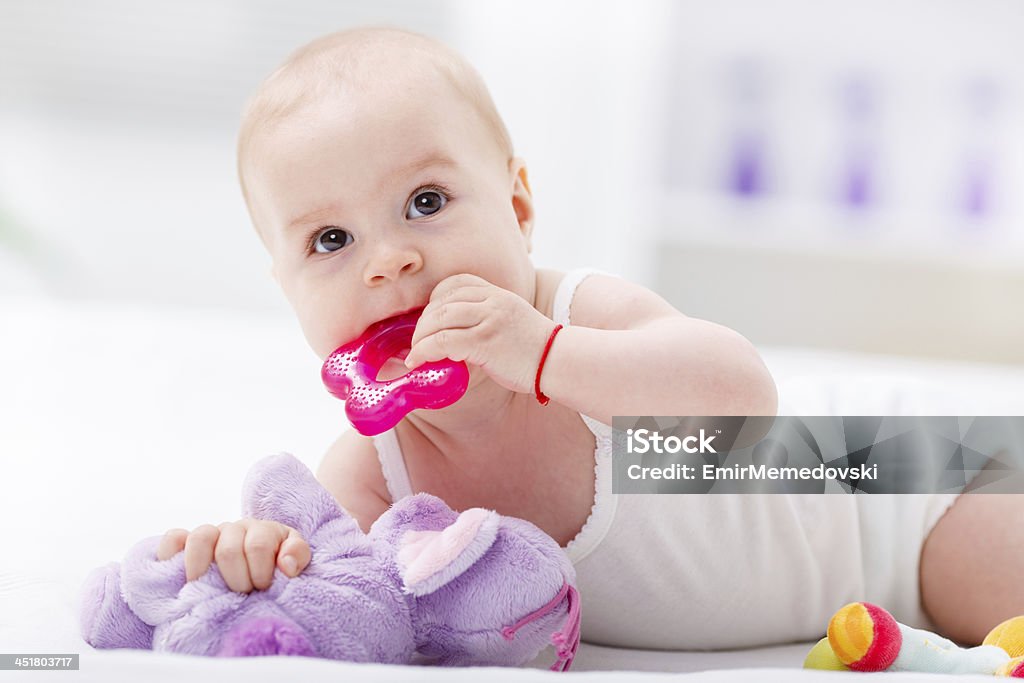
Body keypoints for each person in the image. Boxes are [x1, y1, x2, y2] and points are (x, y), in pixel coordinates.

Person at [156, 26, 1011, 650]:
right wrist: (261, 557)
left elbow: (744, 389)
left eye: (424, 201)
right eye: (330, 242)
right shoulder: (374, 471)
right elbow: (345, 602)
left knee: (990, 581)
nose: (391, 261)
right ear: (287, 288)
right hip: (860, 590)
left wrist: (545, 356)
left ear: (519, 207)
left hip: (900, 485)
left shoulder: (578, 316)